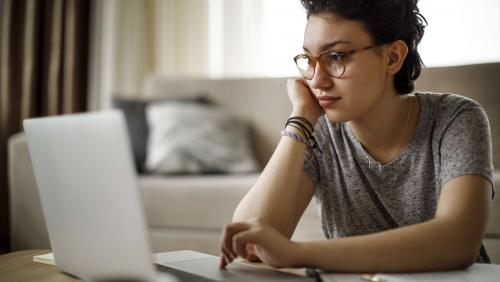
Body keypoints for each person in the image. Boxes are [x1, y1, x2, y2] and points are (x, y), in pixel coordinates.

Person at [219, 0, 495, 273]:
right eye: (309, 60)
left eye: (336, 57)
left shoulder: (456, 118)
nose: (316, 80)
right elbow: (249, 242)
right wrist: (300, 117)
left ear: (393, 57)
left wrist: (297, 253)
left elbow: (458, 242)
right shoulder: (317, 133)